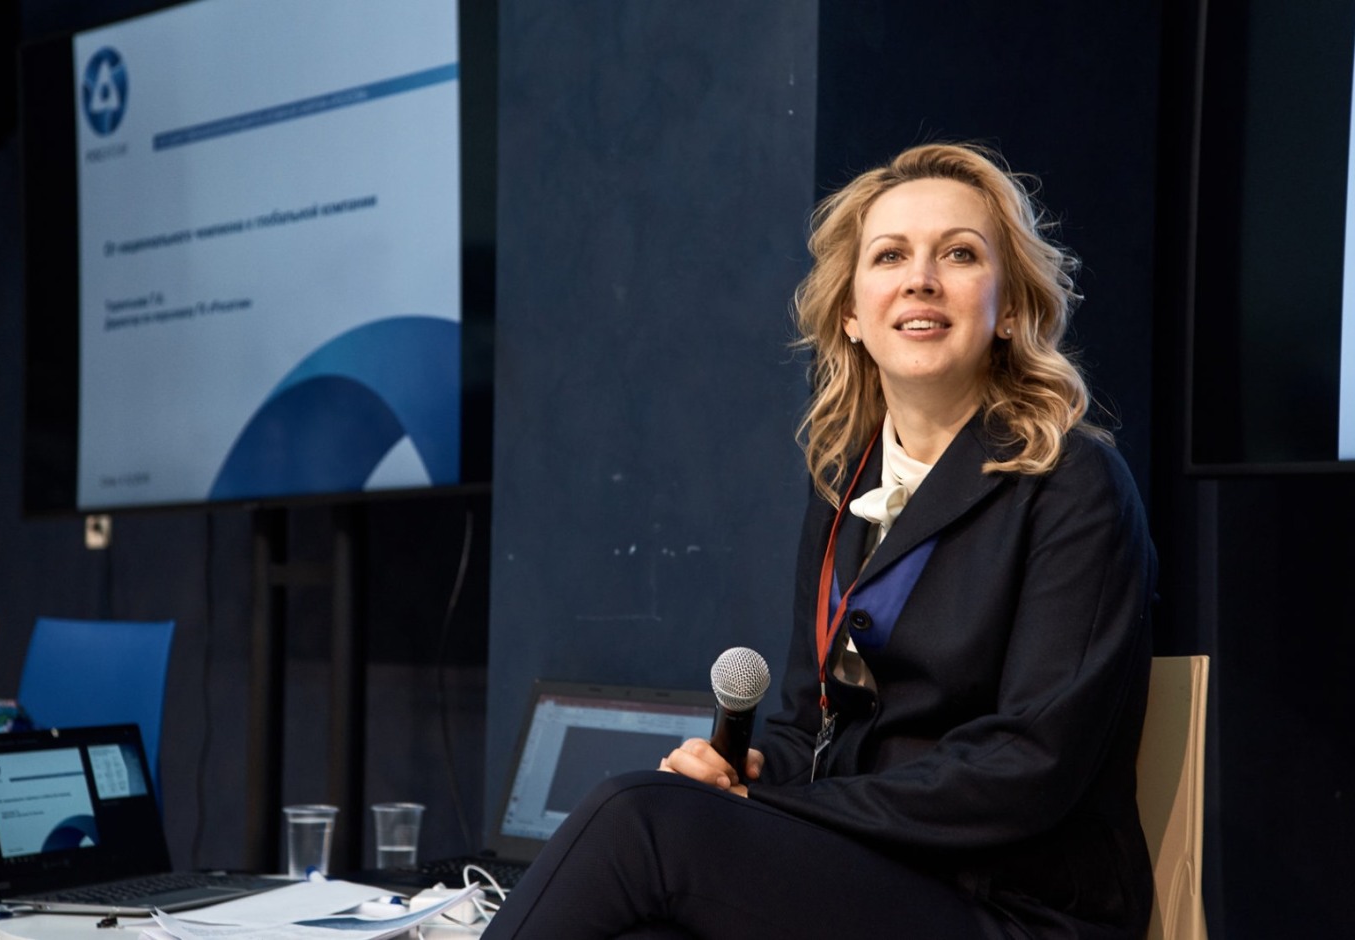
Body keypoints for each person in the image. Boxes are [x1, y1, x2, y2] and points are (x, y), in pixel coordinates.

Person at [482, 142, 1157, 940]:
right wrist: (741, 776)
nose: (921, 279)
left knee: (640, 816)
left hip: (1012, 906)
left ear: (1009, 308)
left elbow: (1029, 764)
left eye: (960, 254)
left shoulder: (1072, 483)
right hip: (876, 872)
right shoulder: (845, 486)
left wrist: (766, 808)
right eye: (890, 256)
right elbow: (810, 727)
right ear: (851, 315)